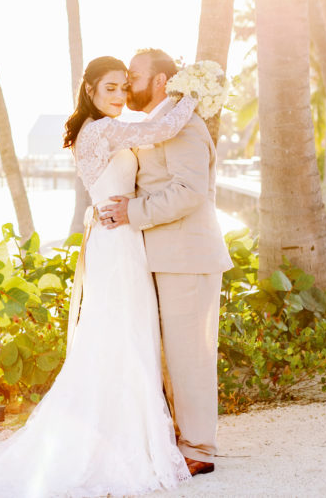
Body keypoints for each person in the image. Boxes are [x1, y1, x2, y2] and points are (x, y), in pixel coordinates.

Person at [0, 56, 198, 497]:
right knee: (121, 334)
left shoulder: (99, 128)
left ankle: (126, 431)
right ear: (90, 90)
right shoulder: (100, 130)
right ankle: (123, 441)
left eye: (123, 87)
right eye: (109, 88)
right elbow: (158, 131)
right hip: (116, 242)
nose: (119, 95)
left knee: (121, 334)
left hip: (117, 237)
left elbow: (144, 138)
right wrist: (193, 94)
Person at [99, 48, 233, 477]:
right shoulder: (159, 125)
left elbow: (189, 191)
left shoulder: (184, 126)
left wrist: (130, 212)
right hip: (164, 256)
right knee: (170, 356)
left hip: (188, 258)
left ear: (160, 81)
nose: (127, 84)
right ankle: (180, 440)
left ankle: (199, 450)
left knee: (189, 357)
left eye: (134, 75)